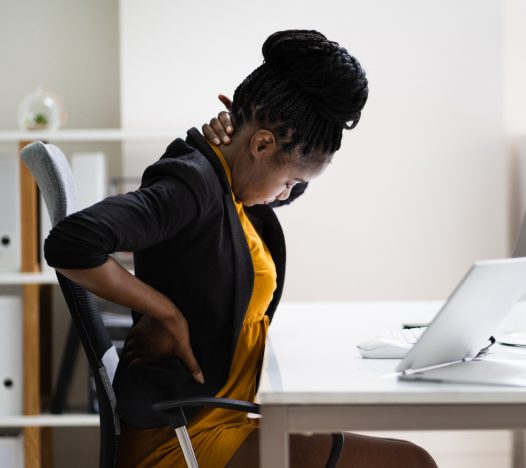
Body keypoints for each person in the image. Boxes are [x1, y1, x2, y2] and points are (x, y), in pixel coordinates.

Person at [44, 29, 437, 467]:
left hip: (225, 418)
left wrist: (254, 150)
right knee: (411, 463)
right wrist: (164, 312)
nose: (287, 195)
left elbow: (263, 185)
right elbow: (72, 242)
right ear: (262, 144)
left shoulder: (229, 186)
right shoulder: (192, 184)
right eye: (290, 183)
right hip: (185, 438)